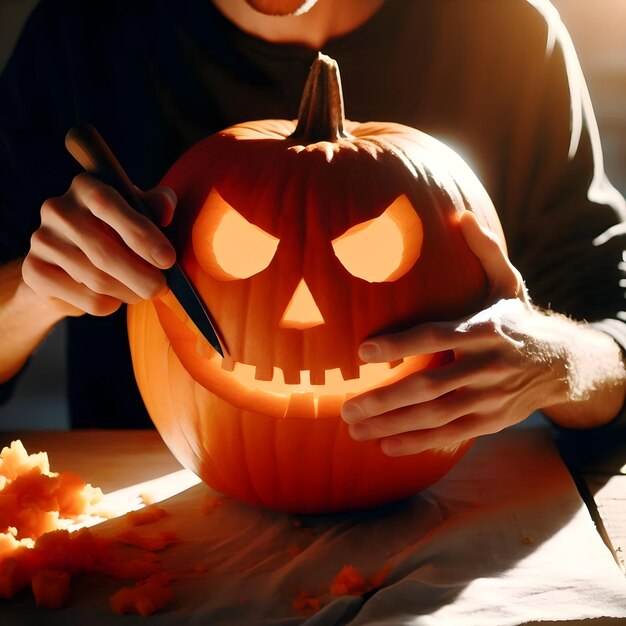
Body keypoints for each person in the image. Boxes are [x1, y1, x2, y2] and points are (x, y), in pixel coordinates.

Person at [0, 0, 625, 448]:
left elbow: (613, 334)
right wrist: (35, 295)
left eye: (374, 249)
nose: (304, 312)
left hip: (451, 526)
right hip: (148, 531)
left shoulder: (507, 29)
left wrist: (556, 361)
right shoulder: (82, 29)